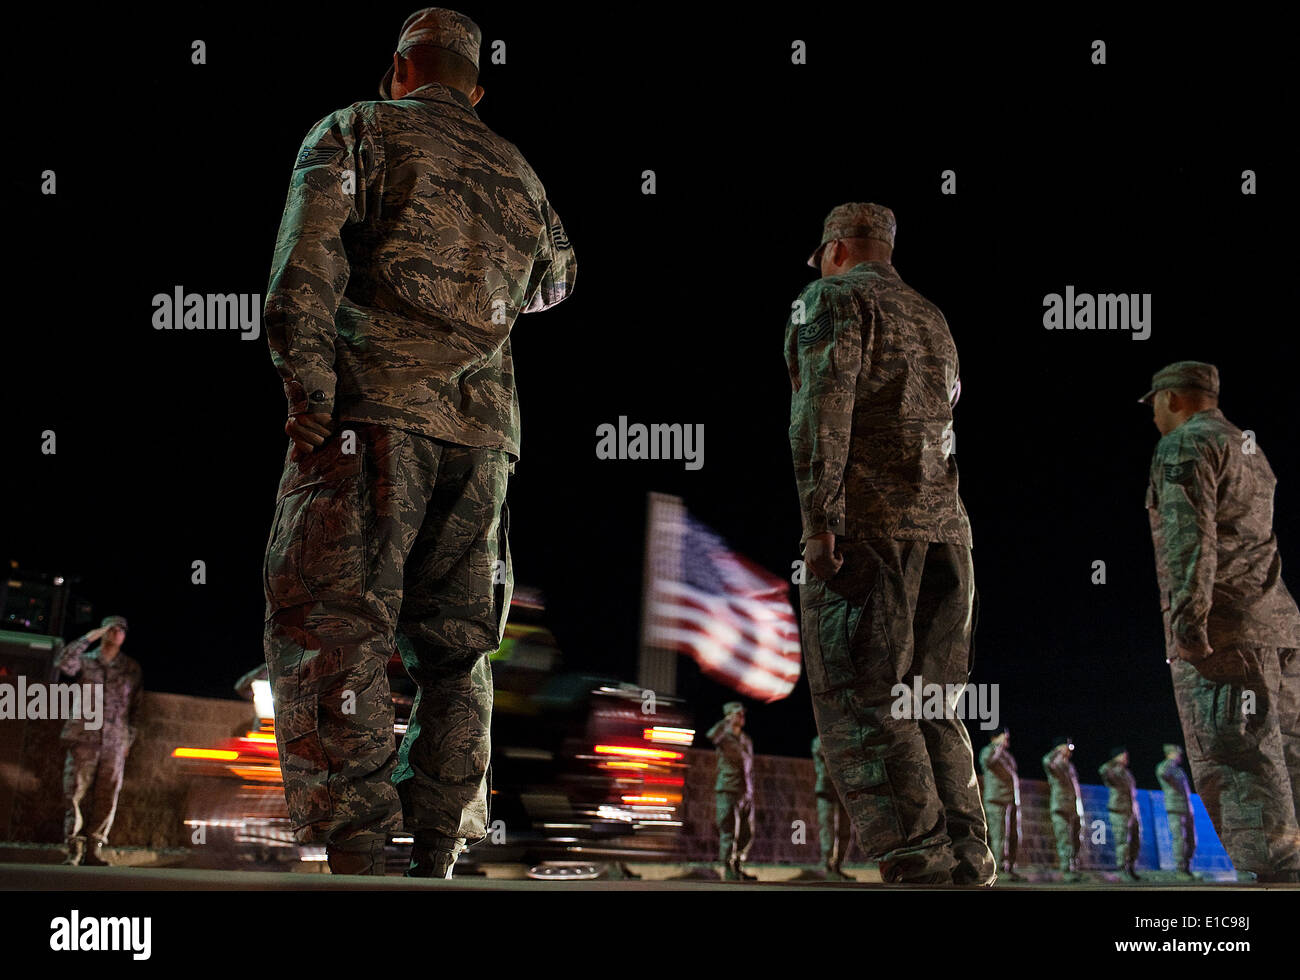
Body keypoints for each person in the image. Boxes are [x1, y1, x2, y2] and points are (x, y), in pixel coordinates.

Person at [260, 7, 576, 877]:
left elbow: (304, 268)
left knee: (334, 618)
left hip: (371, 415)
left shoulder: (355, 128)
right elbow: (558, 282)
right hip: (483, 441)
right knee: (458, 645)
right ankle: (438, 842)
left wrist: (309, 394)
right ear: (476, 89)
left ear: (397, 69)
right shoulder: (521, 174)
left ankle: (359, 841)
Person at [786, 202, 994, 885]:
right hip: (947, 534)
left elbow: (824, 409)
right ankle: (969, 859)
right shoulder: (933, 317)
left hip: (872, 534)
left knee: (869, 700)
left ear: (837, 248)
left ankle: (920, 864)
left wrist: (819, 521)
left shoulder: (831, 300)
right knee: (934, 703)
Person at [1141, 361, 1300, 881]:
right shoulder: (1251, 449)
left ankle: (1273, 872)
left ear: (1173, 399)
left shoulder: (1185, 444)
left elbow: (1192, 540)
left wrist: (1189, 625)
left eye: (1155, 406)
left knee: (1237, 754)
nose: (1155, 418)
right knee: (1290, 750)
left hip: (1225, 629)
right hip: (1277, 623)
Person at [54, 615, 143, 867]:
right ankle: (74, 849)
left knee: (107, 796)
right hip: (84, 737)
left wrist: (128, 739)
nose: (117, 633)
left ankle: (95, 848)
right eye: (112, 628)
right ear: (103, 631)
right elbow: (62, 662)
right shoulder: (86, 660)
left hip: (114, 741)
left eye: (121, 630)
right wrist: (89, 637)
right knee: (75, 793)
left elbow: (136, 708)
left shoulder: (131, 668)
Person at [706, 702, 756, 881]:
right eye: (738, 713)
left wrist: (750, 792)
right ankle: (726, 867)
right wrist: (725, 722)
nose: (742, 716)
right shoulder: (723, 737)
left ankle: (737, 865)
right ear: (729, 716)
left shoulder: (746, 739)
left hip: (745, 792)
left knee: (747, 832)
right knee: (729, 831)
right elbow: (711, 735)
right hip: (728, 789)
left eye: (743, 713)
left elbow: (749, 768)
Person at [978, 728, 1022, 881]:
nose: (1006, 741)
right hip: (996, 800)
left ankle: (1009, 868)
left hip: (1010, 801)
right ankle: (998, 870)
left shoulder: (1007, 756)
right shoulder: (988, 751)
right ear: (995, 738)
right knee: (999, 836)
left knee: (1012, 836)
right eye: (1004, 737)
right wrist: (997, 749)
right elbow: (987, 762)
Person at [812, 735, 853, 880]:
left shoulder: (843, 740)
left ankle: (838, 866)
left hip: (843, 790)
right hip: (826, 790)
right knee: (827, 829)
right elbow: (829, 755)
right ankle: (828, 866)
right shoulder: (820, 741)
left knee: (845, 830)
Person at [1043, 737, 1083, 882]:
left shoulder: (1069, 765)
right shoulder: (1055, 762)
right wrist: (1056, 752)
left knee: (1075, 839)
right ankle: (1066, 869)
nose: (1069, 749)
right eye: (1067, 746)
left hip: (1073, 807)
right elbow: (1046, 762)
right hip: (1060, 806)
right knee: (1064, 839)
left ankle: (1074, 867)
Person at [1156, 743, 1197, 880]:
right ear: (1171, 754)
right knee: (1180, 839)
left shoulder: (1179, 770)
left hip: (1187, 808)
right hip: (1175, 808)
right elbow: (1162, 773)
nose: (1180, 757)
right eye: (1178, 754)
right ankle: (1180, 870)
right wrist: (1171, 759)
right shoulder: (1165, 767)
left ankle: (1187, 868)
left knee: (1192, 841)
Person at [1099, 747, 1141, 881]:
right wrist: (1113, 762)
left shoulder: (1126, 773)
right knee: (1123, 842)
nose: (1126, 758)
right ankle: (1122, 869)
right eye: (1123, 755)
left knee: (1135, 842)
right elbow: (1102, 770)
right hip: (1119, 811)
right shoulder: (1112, 771)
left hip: (1132, 811)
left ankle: (1131, 868)